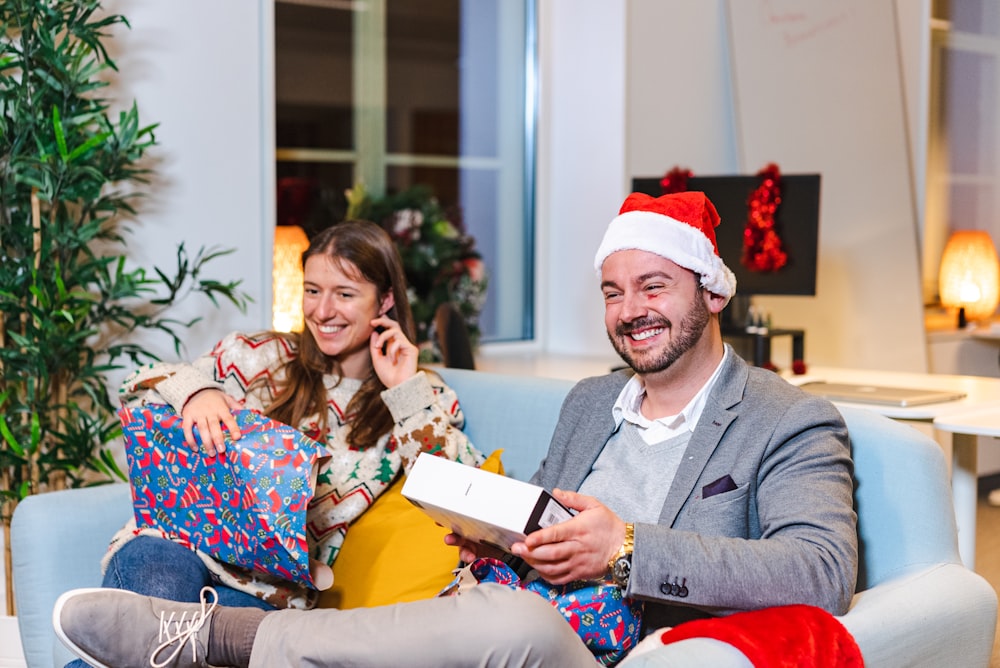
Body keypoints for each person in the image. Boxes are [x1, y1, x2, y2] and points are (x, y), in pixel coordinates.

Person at [54, 191, 858, 668]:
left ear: (712, 293)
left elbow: (822, 573)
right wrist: (495, 534)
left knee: (516, 620)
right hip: (487, 602)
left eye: (654, 286)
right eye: (613, 292)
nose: (630, 311)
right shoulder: (588, 402)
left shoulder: (788, 417)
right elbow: (530, 508)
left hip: (591, 637)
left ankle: (226, 641)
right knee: (494, 604)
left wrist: (623, 548)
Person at [61, 219, 484, 667]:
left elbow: (460, 490)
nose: (322, 310)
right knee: (159, 605)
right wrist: (196, 391)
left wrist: (402, 390)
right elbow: (138, 386)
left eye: (344, 293)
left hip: (269, 599)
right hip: (173, 547)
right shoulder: (255, 354)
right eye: (312, 290)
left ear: (384, 300)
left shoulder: (419, 394)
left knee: (149, 649)